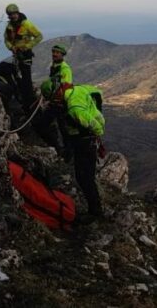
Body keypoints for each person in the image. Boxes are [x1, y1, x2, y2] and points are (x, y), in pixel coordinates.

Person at [51, 83, 106, 221]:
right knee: (87, 177)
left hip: (85, 143)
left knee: (84, 177)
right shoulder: (78, 90)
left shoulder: (74, 107)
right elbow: (96, 93)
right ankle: (96, 208)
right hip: (89, 141)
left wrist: (96, 131)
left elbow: (88, 121)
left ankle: (95, 211)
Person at [3, 3, 42, 111]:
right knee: (18, 76)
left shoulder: (27, 24)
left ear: (17, 13)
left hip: (25, 54)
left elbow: (39, 36)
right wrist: (11, 47)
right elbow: (6, 39)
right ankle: (24, 97)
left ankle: (29, 100)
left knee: (26, 78)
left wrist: (27, 46)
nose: (12, 16)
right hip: (16, 55)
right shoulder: (9, 26)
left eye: (14, 14)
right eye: (10, 15)